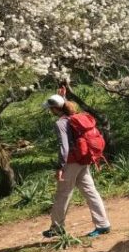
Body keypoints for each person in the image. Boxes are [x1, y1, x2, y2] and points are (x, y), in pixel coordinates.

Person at [42, 94, 111, 238]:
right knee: (90, 191)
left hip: (71, 162)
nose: (50, 111)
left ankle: (56, 228)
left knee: (63, 194)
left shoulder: (60, 123)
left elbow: (64, 147)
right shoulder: (75, 118)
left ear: (55, 109)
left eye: (51, 109)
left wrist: (60, 167)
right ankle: (103, 224)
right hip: (83, 159)